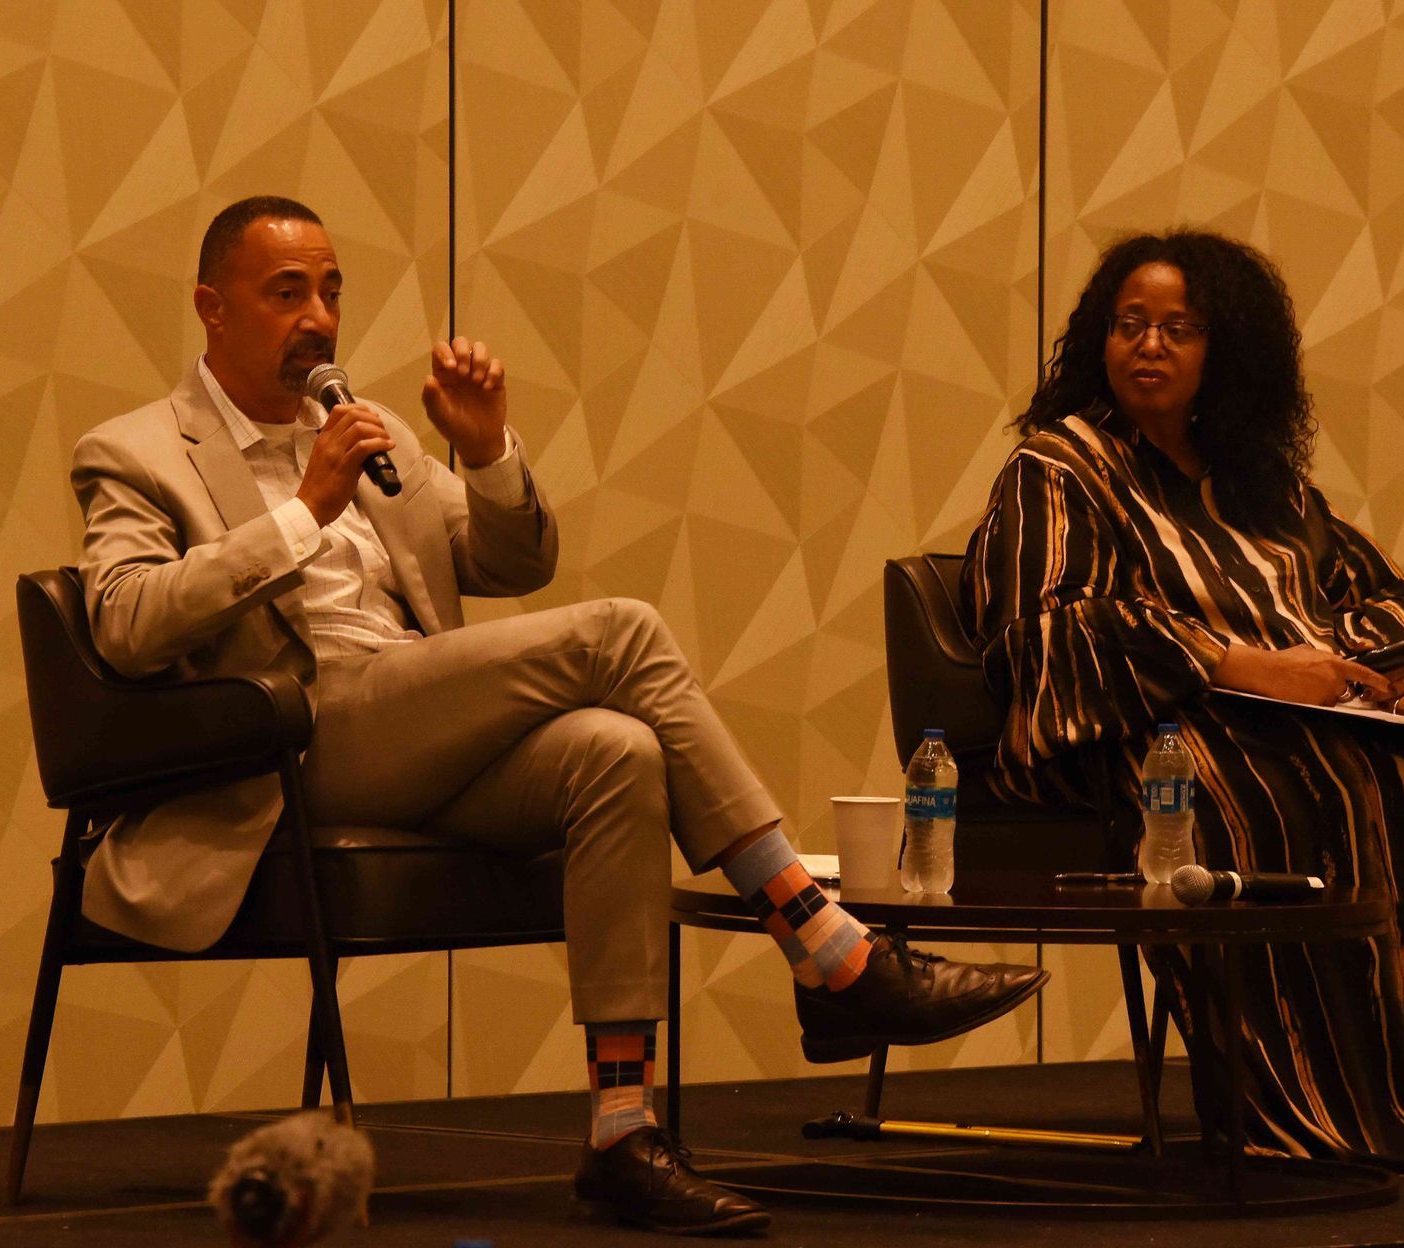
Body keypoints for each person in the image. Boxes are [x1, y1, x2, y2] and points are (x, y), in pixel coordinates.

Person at [71, 195, 1047, 1234]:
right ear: (212, 308)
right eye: (286, 293)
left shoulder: (366, 433)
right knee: (620, 630)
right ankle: (825, 941)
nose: (318, 317)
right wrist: (301, 514)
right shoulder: (138, 452)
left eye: (331, 290)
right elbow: (126, 625)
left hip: (414, 724)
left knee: (617, 754)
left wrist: (488, 450)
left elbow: (512, 561)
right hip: (292, 747)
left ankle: (622, 1133)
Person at [961, 228, 1404, 1174]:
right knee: (1314, 786)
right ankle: (1333, 1104)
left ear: (1226, 352)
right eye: (1129, 325)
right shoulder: (1058, 469)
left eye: (1178, 329)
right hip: (1151, 736)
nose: (1149, 346)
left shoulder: (1256, 481)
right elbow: (1047, 631)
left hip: (1294, 720)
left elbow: (1393, 603)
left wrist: (1380, 668)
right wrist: (1244, 667)